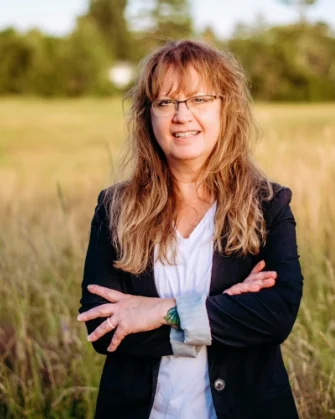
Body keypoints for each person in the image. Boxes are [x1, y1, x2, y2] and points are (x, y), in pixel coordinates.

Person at [78, 40, 303, 419]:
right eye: (165, 102)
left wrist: (162, 311)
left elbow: (275, 315)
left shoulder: (268, 204)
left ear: (225, 108)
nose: (181, 116)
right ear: (148, 115)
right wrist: (222, 310)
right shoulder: (114, 208)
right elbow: (104, 327)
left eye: (199, 99)